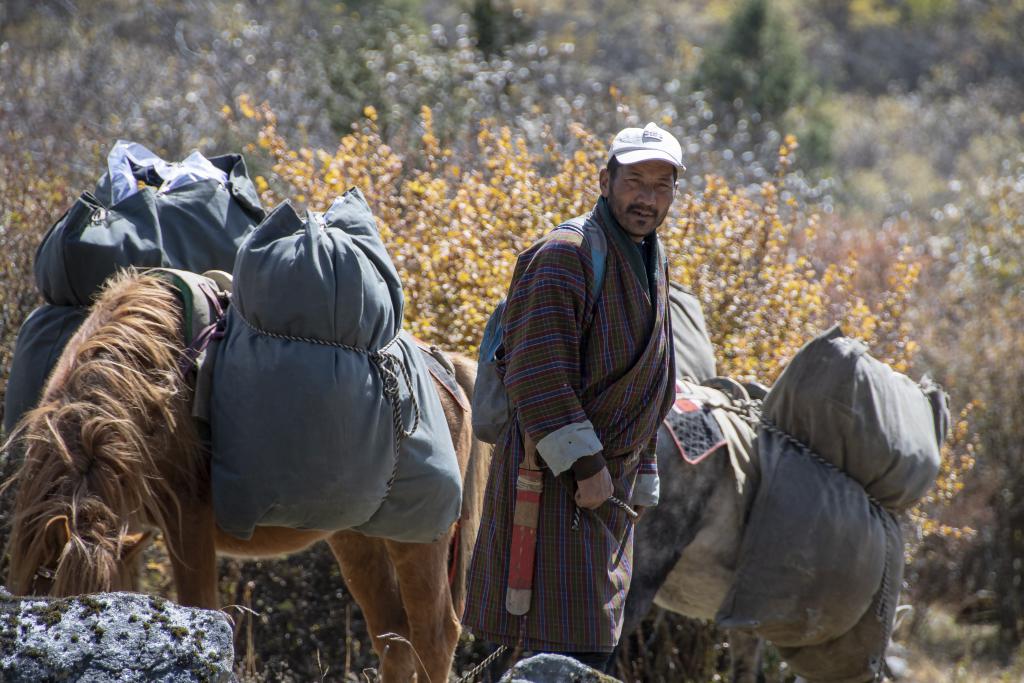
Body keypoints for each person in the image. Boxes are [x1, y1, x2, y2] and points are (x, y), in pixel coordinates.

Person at [463, 122, 681, 670]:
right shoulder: (566, 254)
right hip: (554, 480)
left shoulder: (652, 256)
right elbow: (538, 374)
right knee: (533, 648)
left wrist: (639, 470)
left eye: (662, 186)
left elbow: (654, 378)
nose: (647, 198)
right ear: (604, 180)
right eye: (635, 181)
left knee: (585, 648)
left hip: (607, 492)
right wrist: (587, 467)